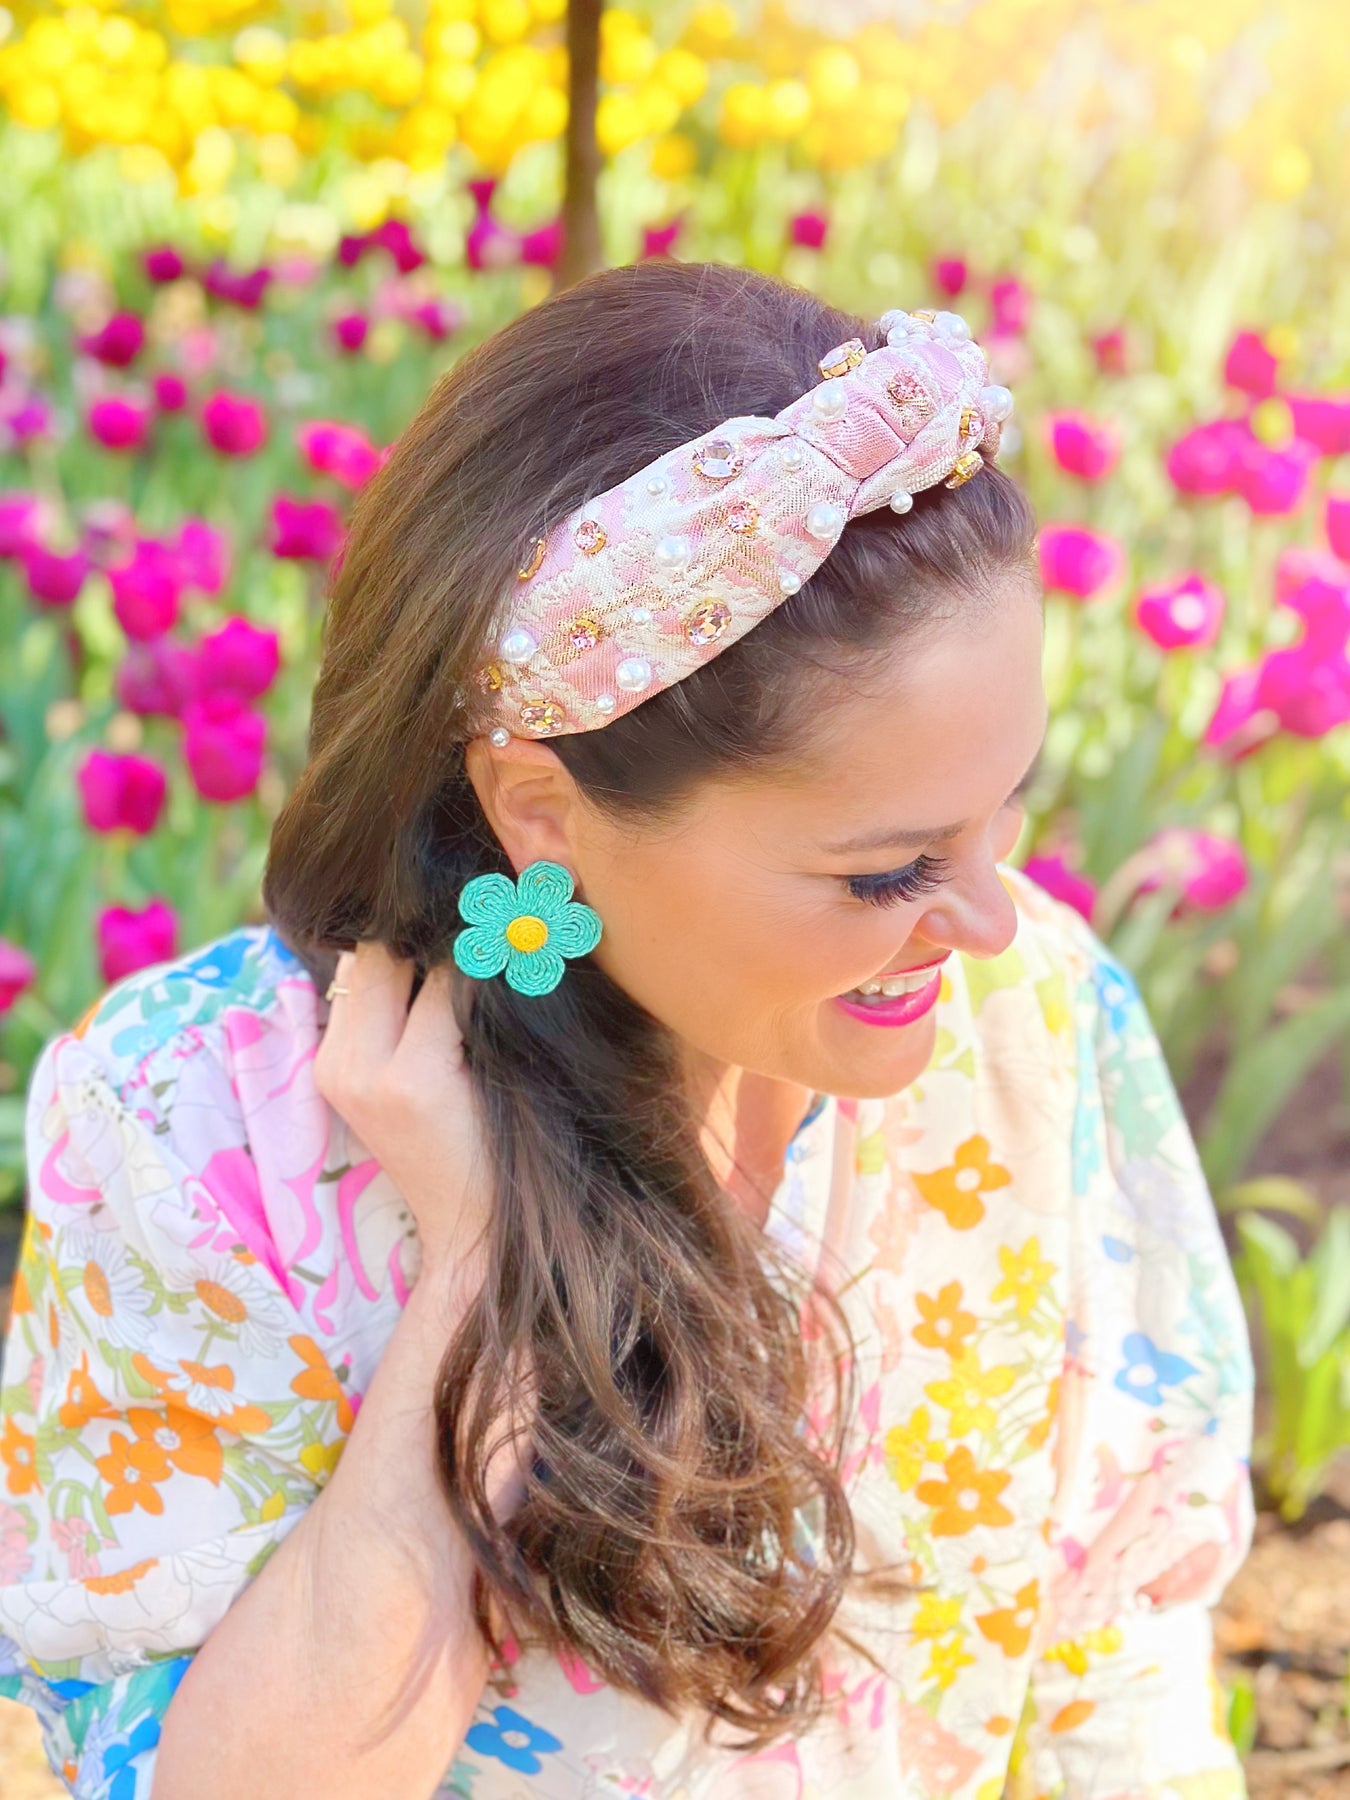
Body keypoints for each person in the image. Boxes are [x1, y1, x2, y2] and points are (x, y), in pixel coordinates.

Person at [0, 262, 1254, 1800]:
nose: (993, 920)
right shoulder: (201, 1133)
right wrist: (482, 1286)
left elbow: (1119, 1676)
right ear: (541, 811)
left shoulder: (1031, 1021)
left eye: (1004, 811)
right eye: (885, 872)